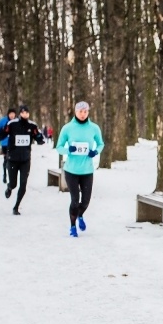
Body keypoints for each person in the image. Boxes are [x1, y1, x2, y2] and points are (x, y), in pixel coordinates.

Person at [55, 101, 104, 237]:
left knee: (86, 201)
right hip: (71, 170)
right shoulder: (67, 128)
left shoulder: (94, 128)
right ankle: (72, 226)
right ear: (75, 112)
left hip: (87, 171)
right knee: (75, 200)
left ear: (88, 112)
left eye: (85, 111)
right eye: (80, 111)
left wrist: (95, 151)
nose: (83, 114)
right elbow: (59, 147)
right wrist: (68, 150)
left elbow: (101, 144)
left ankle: (80, 215)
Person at [0, 104, 44, 215]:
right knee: (13, 184)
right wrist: (1, 134)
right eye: (23, 112)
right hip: (12, 158)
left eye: (27, 113)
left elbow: (39, 139)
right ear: (20, 114)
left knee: (23, 184)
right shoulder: (12, 124)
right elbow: (1, 134)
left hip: (25, 160)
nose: (25, 114)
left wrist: (39, 137)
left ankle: (16, 206)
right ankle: (9, 187)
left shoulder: (32, 125)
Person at [0, 108, 16, 183]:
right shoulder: (3, 121)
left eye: (13, 114)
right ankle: (5, 174)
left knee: (12, 160)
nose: (12, 115)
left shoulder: (16, 121)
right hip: (5, 144)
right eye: (10, 114)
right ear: (8, 114)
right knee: (6, 159)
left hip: (14, 144)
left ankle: (11, 174)